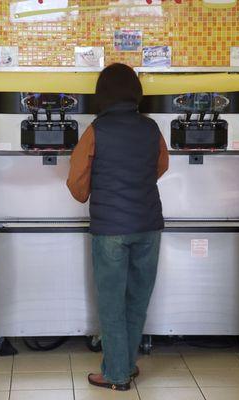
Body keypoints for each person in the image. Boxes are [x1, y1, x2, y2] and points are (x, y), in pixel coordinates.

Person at [66, 63, 169, 391]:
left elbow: (76, 183)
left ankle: (115, 374)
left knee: (111, 303)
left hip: (110, 229)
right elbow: (161, 166)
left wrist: (98, 190)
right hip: (148, 226)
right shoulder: (151, 128)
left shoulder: (96, 130)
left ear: (103, 94)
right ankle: (126, 364)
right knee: (137, 299)